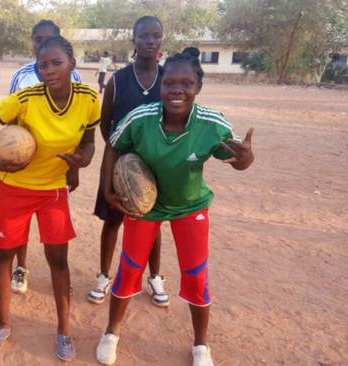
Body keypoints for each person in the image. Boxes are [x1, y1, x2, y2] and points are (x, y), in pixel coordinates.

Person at [95, 47, 255, 366]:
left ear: (198, 86)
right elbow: (113, 145)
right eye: (169, 83)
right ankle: (111, 332)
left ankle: (201, 346)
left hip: (190, 205)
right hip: (146, 206)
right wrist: (108, 188)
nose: (177, 90)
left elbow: (237, 158)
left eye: (186, 84)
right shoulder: (140, 119)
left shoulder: (211, 124)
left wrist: (246, 159)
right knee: (129, 272)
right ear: (161, 86)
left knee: (196, 277)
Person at [0, 36, 100, 362]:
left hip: (52, 190)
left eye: (56, 63)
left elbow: (89, 141)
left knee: (57, 260)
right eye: (42, 65)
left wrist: (83, 160)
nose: (49, 70)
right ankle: (4, 324)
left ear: (72, 64)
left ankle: (64, 331)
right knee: (4, 256)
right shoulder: (26, 98)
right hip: (16, 187)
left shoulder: (88, 98)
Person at [88, 16, 169, 307]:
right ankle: (104, 275)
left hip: (156, 164)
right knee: (112, 220)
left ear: (162, 40)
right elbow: (105, 123)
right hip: (119, 162)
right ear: (133, 41)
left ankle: (155, 276)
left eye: (155, 36)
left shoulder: (167, 79)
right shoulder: (118, 80)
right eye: (143, 36)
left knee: (152, 223)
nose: (150, 41)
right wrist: (120, 163)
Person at [7, 19, 83, 295]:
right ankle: (21, 266)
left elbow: (79, 126)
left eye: (47, 39)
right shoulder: (22, 76)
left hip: (55, 167)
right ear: (32, 42)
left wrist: (73, 168)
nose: (41, 43)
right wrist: (16, 152)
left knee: (55, 227)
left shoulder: (72, 77)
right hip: (26, 164)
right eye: (37, 39)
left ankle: (60, 272)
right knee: (20, 223)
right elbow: (10, 119)